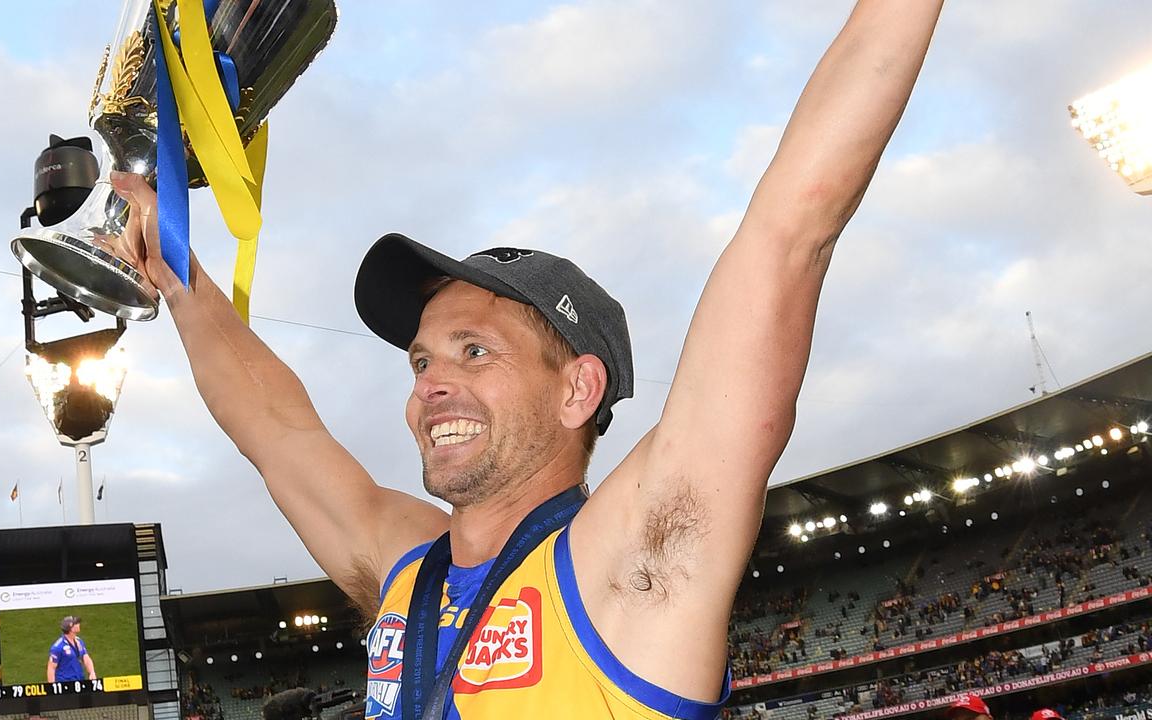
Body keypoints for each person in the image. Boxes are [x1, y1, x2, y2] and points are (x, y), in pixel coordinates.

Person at [109, 1, 945, 717]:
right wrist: (177, 276)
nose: (433, 383)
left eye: (474, 351)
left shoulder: (633, 568)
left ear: (579, 387)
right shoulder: (408, 570)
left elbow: (790, 232)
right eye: (422, 361)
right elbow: (278, 431)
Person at [47, 615, 96, 684]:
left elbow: (86, 657)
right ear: (71, 628)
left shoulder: (79, 641)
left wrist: (92, 672)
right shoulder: (58, 647)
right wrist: (52, 688)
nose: (79, 624)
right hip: (65, 684)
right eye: (76, 624)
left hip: (80, 682)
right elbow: (51, 668)